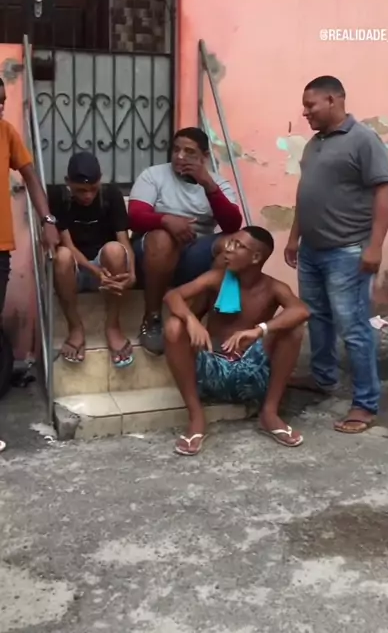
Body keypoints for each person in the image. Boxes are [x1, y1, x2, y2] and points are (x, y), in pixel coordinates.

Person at [285, 76, 388, 434]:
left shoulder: (363, 140)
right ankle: (323, 377)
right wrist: (294, 237)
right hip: (312, 250)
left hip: (347, 251)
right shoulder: (314, 144)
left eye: (310, 105)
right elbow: (305, 192)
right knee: (317, 318)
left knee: (354, 327)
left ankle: (365, 404)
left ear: (332, 100)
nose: (305, 113)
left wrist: (375, 246)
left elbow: (383, 191)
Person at [163, 226, 310, 456]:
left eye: (238, 246)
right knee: (174, 325)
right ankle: (196, 417)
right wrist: (191, 319)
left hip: (251, 375)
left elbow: (301, 310)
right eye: (230, 243)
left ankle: (269, 413)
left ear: (256, 257)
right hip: (212, 370)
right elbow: (173, 295)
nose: (228, 250)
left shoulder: (273, 287)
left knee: (293, 329)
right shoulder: (217, 278)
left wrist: (259, 331)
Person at [128, 127, 243, 354]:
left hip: (194, 254)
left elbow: (232, 224)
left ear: (204, 157)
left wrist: (209, 185)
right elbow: (134, 216)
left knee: (234, 244)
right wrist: (166, 220)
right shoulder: (153, 175)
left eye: (189, 152)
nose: (180, 156)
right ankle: (152, 318)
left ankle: (197, 318)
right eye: (176, 150)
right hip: (152, 254)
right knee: (162, 239)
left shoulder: (218, 184)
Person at [0, 77, 59, 453]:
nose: (0, 106)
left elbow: (31, 176)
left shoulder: (6, 133)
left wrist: (47, 220)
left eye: (3, 99)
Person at [48, 152, 136, 368]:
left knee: (115, 251)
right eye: (81, 190)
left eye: (93, 189)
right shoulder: (59, 197)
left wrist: (132, 273)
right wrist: (94, 271)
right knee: (62, 255)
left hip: (105, 269)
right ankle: (75, 326)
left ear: (100, 181)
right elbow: (68, 245)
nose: (88, 195)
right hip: (75, 270)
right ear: (68, 182)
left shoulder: (111, 195)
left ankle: (113, 325)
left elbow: (124, 241)